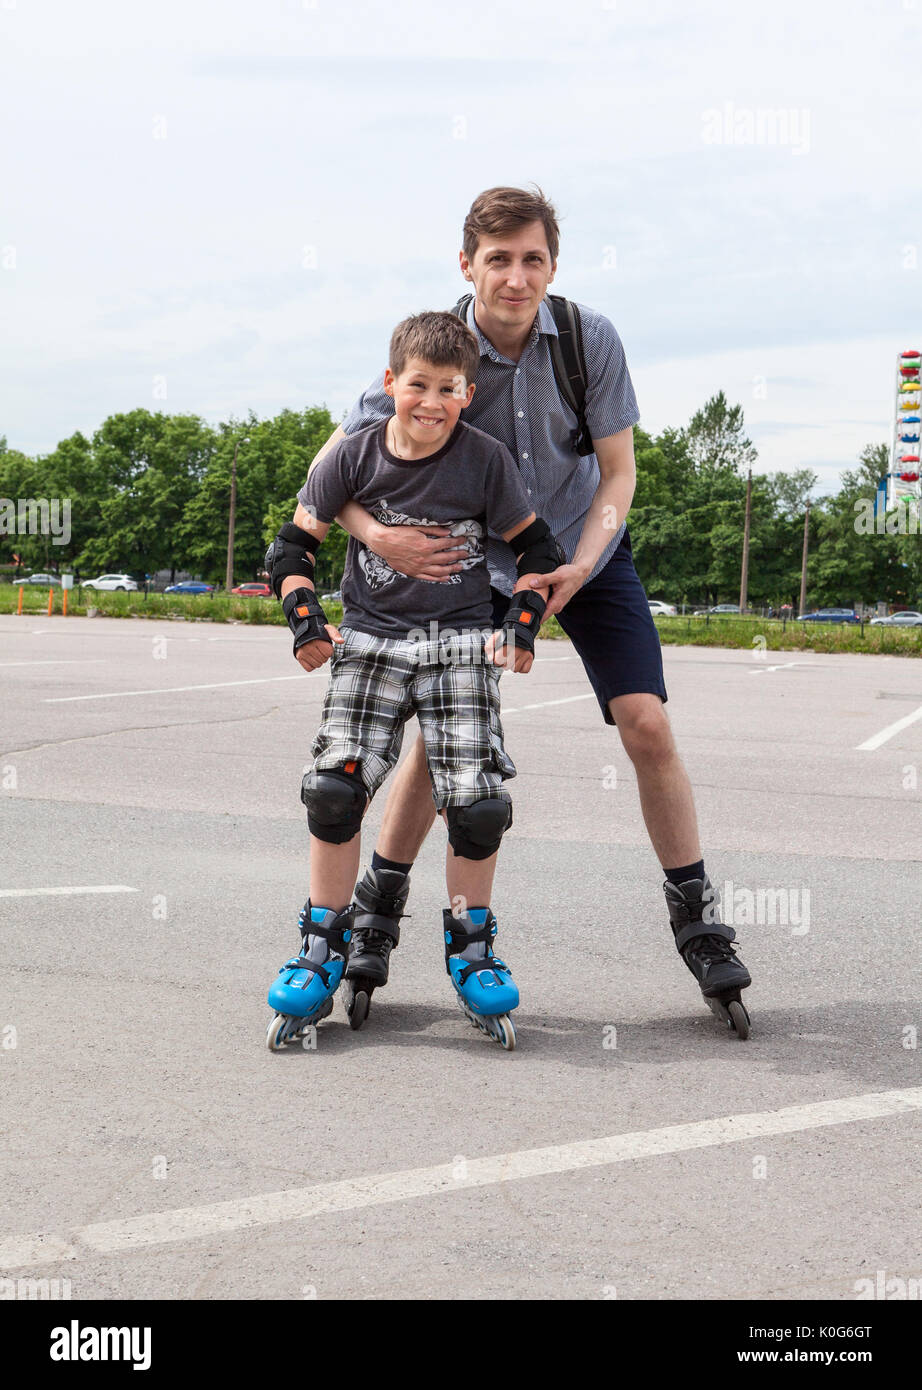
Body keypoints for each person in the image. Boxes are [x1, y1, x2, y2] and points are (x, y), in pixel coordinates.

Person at [300, 185, 752, 1037]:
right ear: (466, 263)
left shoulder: (588, 340)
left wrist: (582, 561)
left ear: (552, 264)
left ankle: (696, 916)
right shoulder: (432, 350)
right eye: (497, 259)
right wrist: (381, 538)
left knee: (646, 723)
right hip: (474, 564)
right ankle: (380, 906)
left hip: (583, 552)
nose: (515, 277)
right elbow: (334, 474)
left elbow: (619, 473)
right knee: (442, 745)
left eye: (532, 258)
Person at [264, 310, 562, 1051]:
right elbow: (290, 546)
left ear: (469, 392)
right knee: (335, 790)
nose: (431, 403)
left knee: (479, 804)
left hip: (460, 641)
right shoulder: (350, 456)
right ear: (390, 382)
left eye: (449, 389)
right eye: (418, 385)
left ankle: (472, 947)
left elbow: (538, 550)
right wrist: (306, 622)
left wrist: (521, 626)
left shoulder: (486, 460)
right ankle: (321, 943)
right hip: (369, 638)